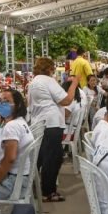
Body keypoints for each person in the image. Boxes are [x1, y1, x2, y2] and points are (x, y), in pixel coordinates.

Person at [28, 57, 78, 203]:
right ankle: (48, 192)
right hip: (52, 123)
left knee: (42, 158)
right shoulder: (48, 80)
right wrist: (73, 85)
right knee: (53, 159)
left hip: (40, 123)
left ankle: (36, 187)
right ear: (49, 68)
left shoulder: (34, 82)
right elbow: (67, 100)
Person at [0, 89, 34, 201]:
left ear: (17, 105)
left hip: (14, 181)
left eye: (6, 101)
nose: (1, 104)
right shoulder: (20, 122)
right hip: (22, 178)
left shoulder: (11, 127)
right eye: (0, 101)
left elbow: (9, 159)